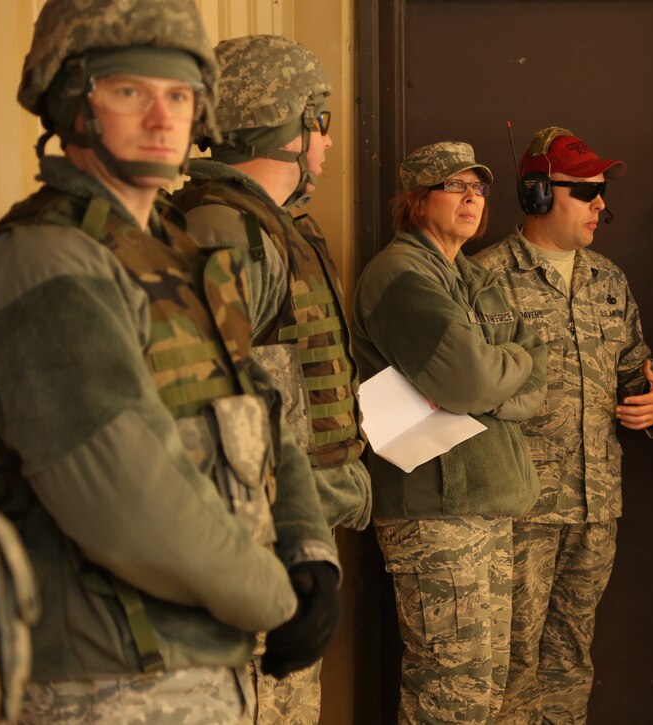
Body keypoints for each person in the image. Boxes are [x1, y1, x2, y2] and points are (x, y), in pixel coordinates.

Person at [0, 1, 340, 720]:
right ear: (71, 101)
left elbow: (264, 411)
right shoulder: (44, 260)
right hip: (105, 680)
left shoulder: (176, 253)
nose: (162, 118)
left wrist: (310, 551)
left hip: (200, 667)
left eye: (179, 95)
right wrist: (278, 598)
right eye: (130, 91)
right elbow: (126, 499)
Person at [170, 34, 370, 723]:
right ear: (291, 126)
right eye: (322, 121)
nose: (329, 142)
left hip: (286, 540)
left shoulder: (264, 227)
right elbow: (205, 413)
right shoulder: (226, 231)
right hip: (253, 552)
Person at [476, 126, 653, 724]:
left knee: (570, 659)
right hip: (518, 508)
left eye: (602, 192)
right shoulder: (486, 278)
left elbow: (637, 365)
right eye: (586, 191)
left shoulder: (607, 279)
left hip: (595, 507)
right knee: (510, 663)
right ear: (538, 194)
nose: (600, 205)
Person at [350, 141, 546, 724]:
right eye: (454, 185)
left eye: (478, 187)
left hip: (484, 504)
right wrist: (491, 378)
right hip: (436, 507)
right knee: (450, 696)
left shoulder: (471, 274)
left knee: (484, 693)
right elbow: (467, 379)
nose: (472, 197)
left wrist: (495, 380)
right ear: (417, 200)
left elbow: (537, 372)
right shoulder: (400, 274)